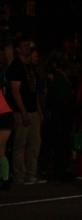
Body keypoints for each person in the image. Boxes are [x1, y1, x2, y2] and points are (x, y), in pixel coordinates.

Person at [6, 35, 45, 184]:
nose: (27, 48)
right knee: (20, 143)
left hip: (32, 110)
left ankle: (31, 172)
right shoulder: (16, 66)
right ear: (17, 49)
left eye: (28, 45)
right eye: (24, 46)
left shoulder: (29, 66)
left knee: (34, 143)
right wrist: (23, 112)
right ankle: (19, 174)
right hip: (21, 111)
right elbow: (15, 91)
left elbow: (32, 91)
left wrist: (38, 111)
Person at [0, 86, 14, 190]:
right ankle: (4, 179)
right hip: (4, 116)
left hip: (4, 117)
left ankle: (5, 180)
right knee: (1, 151)